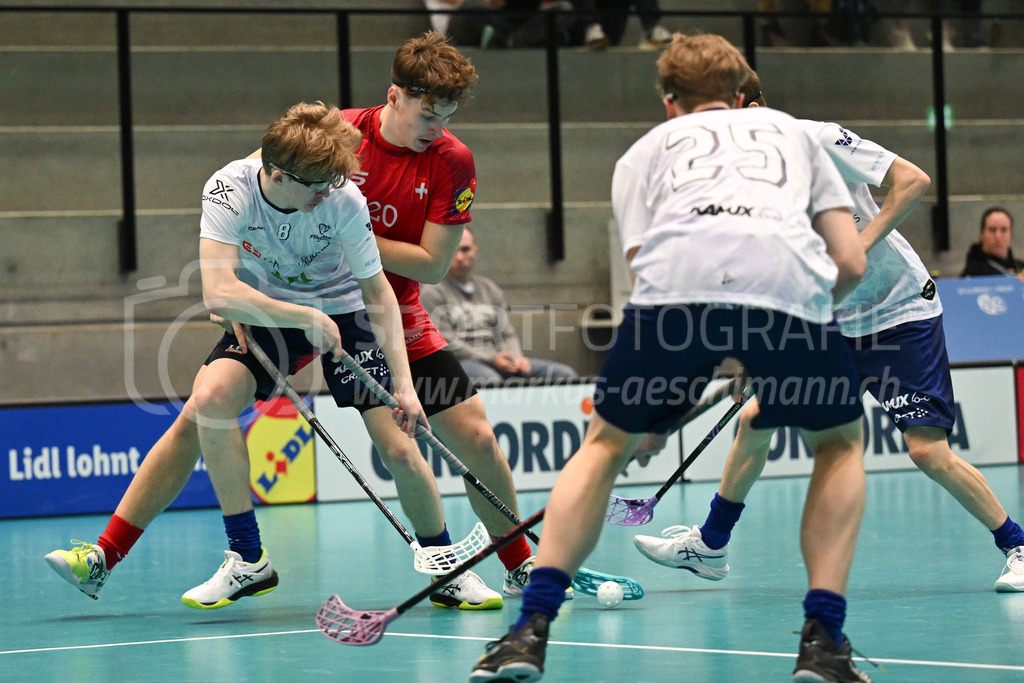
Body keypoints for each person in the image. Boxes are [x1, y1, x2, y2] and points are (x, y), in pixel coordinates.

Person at [470, 33, 872, 682]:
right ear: (742, 97)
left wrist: (652, 420)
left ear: (669, 103)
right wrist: (794, 326)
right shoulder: (793, 133)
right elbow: (849, 260)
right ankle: (823, 642)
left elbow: (652, 277)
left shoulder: (641, 153)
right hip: (788, 291)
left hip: (674, 295)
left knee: (602, 445)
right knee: (839, 440)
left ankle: (527, 631)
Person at [634, 67, 1024, 666]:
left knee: (927, 452)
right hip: (837, 321)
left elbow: (912, 180)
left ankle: (1017, 545)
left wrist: (858, 249)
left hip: (899, 315)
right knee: (756, 420)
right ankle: (710, 545)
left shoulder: (817, 139)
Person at [45, 101, 432, 609]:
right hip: (273, 309)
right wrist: (295, 317)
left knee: (400, 446)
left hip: (343, 308)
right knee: (208, 401)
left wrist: (404, 386)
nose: (326, 195)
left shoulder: (342, 199)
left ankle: (447, 566)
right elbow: (218, 293)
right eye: (315, 186)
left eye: (330, 185)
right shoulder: (228, 190)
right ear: (277, 173)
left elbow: (379, 292)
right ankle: (235, 558)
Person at [339, 31, 570, 607]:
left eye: (447, 114)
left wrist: (352, 236)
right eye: (427, 112)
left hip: (407, 315)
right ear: (394, 95)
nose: (437, 126)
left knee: (477, 439)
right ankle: (446, 569)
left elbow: (434, 264)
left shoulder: (452, 160)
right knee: (398, 448)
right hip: (342, 311)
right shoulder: (340, 135)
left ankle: (519, 561)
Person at [420, 226, 579, 385]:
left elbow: (506, 332)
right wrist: (491, 359)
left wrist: (517, 358)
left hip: (500, 360)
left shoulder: (490, 289)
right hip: (460, 362)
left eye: (466, 249)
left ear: (476, 251)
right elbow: (447, 342)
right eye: (453, 250)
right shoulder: (432, 293)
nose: (460, 257)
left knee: (565, 375)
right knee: (492, 382)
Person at [960, 207, 1024, 279]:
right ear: (982, 234)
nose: (998, 236)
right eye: (992, 230)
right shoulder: (972, 274)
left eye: (1004, 230)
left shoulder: (1020, 267)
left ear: (1011, 234)